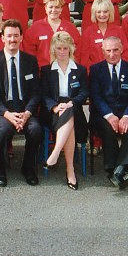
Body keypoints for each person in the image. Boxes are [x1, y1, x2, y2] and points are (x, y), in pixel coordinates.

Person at [0, 19, 43, 187]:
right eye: (8, 36)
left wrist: (28, 113)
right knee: (2, 131)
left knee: (35, 130)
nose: (12, 39)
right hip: (4, 110)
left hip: (25, 109)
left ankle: (28, 167)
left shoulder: (30, 61)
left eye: (16, 36)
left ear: (21, 37)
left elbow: (35, 91)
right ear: (2, 38)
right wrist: (6, 114)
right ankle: (1, 168)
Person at [88, 36, 128, 188]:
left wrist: (127, 116)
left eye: (116, 50)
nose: (112, 54)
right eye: (108, 50)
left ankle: (117, 170)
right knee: (108, 130)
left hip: (126, 114)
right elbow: (96, 96)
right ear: (103, 51)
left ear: (122, 49)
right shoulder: (96, 70)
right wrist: (110, 116)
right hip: (103, 115)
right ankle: (118, 169)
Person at [40, 32, 88, 189]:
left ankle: (55, 154)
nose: (62, 51)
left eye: (65, 48)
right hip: (52, 111)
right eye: (59, 48)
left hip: (74, 108)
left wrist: (72, 103)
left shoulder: (80, 70)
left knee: (70, 114)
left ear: (71, 49)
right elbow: (44, 94)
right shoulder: (46, 70)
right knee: (68, 118)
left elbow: (84, 92)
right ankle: (70, 171)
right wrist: (54, 106)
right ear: (53, 49)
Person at [24, 0, 81, 66]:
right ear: (45, 8)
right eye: (51, 7)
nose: (53, 10)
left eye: (57, 7)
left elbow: (78, 51)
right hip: (42, 72)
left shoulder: (70, 28)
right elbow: (29, 52)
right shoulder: (35, 28)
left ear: (61, 9)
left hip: (65, 71)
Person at [79, 0, 128, 68]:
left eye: (105, 12)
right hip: (95, 74)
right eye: (99, 12)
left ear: (110, 12)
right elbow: (84, 57)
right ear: (94, 13)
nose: (102, 15)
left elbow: (125, 53)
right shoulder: (88, 32)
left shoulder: (118, 31)